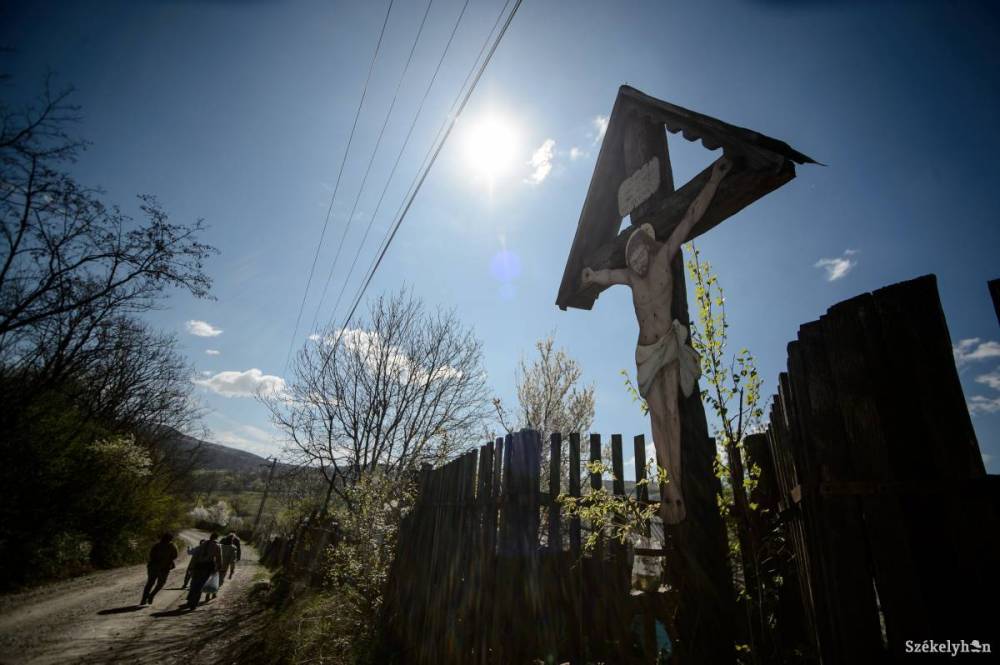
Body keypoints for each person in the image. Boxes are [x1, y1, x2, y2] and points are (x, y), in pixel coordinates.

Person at [582, 156, 731, 524]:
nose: (635, 259)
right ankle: (668, 485)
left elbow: (690, 217)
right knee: (657, 417)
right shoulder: (631, 278)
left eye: (638, 251)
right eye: (631, 255)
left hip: (666, 343)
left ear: (649, 247)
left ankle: (676, 487)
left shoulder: (664, 257)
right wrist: (592, 276)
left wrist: (714, 181)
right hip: (645, 353)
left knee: (672, 412)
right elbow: (609, 275)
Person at [183, 532, 223, 610]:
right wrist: (219, 568)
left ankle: (190, 600)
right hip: (206, 567)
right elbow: (219, 558)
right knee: (200, 585)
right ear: (217, 538)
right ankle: (194, 603)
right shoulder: (217, 546)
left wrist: (191, 567)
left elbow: (195, 555)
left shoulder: (203, 544)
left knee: (194, 583)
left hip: (197, 566)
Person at [140, 533, 178, 606]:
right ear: (170, 539)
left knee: (150, 583)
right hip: (163, 568)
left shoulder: (157, 545)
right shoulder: (172, 546)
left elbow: (151, 555)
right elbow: (175, 556)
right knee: (160, 583)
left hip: (154, 567)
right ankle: (150, 596)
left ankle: (145, 599)